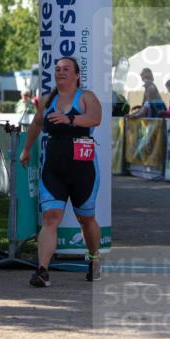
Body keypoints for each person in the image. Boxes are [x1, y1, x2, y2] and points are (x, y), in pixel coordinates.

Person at [20, 56, 104, 287]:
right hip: (54, 167)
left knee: (85, 219)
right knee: (51, 218)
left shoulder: (86, 97)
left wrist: (70, 119)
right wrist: (26, 149)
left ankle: (94, 260)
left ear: (77, 75)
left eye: (66, 69)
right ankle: (42, 270)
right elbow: (37, 123)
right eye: (57, 69)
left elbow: (96, 118)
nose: (61, 72)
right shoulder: (49, 98)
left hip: (83, 169)